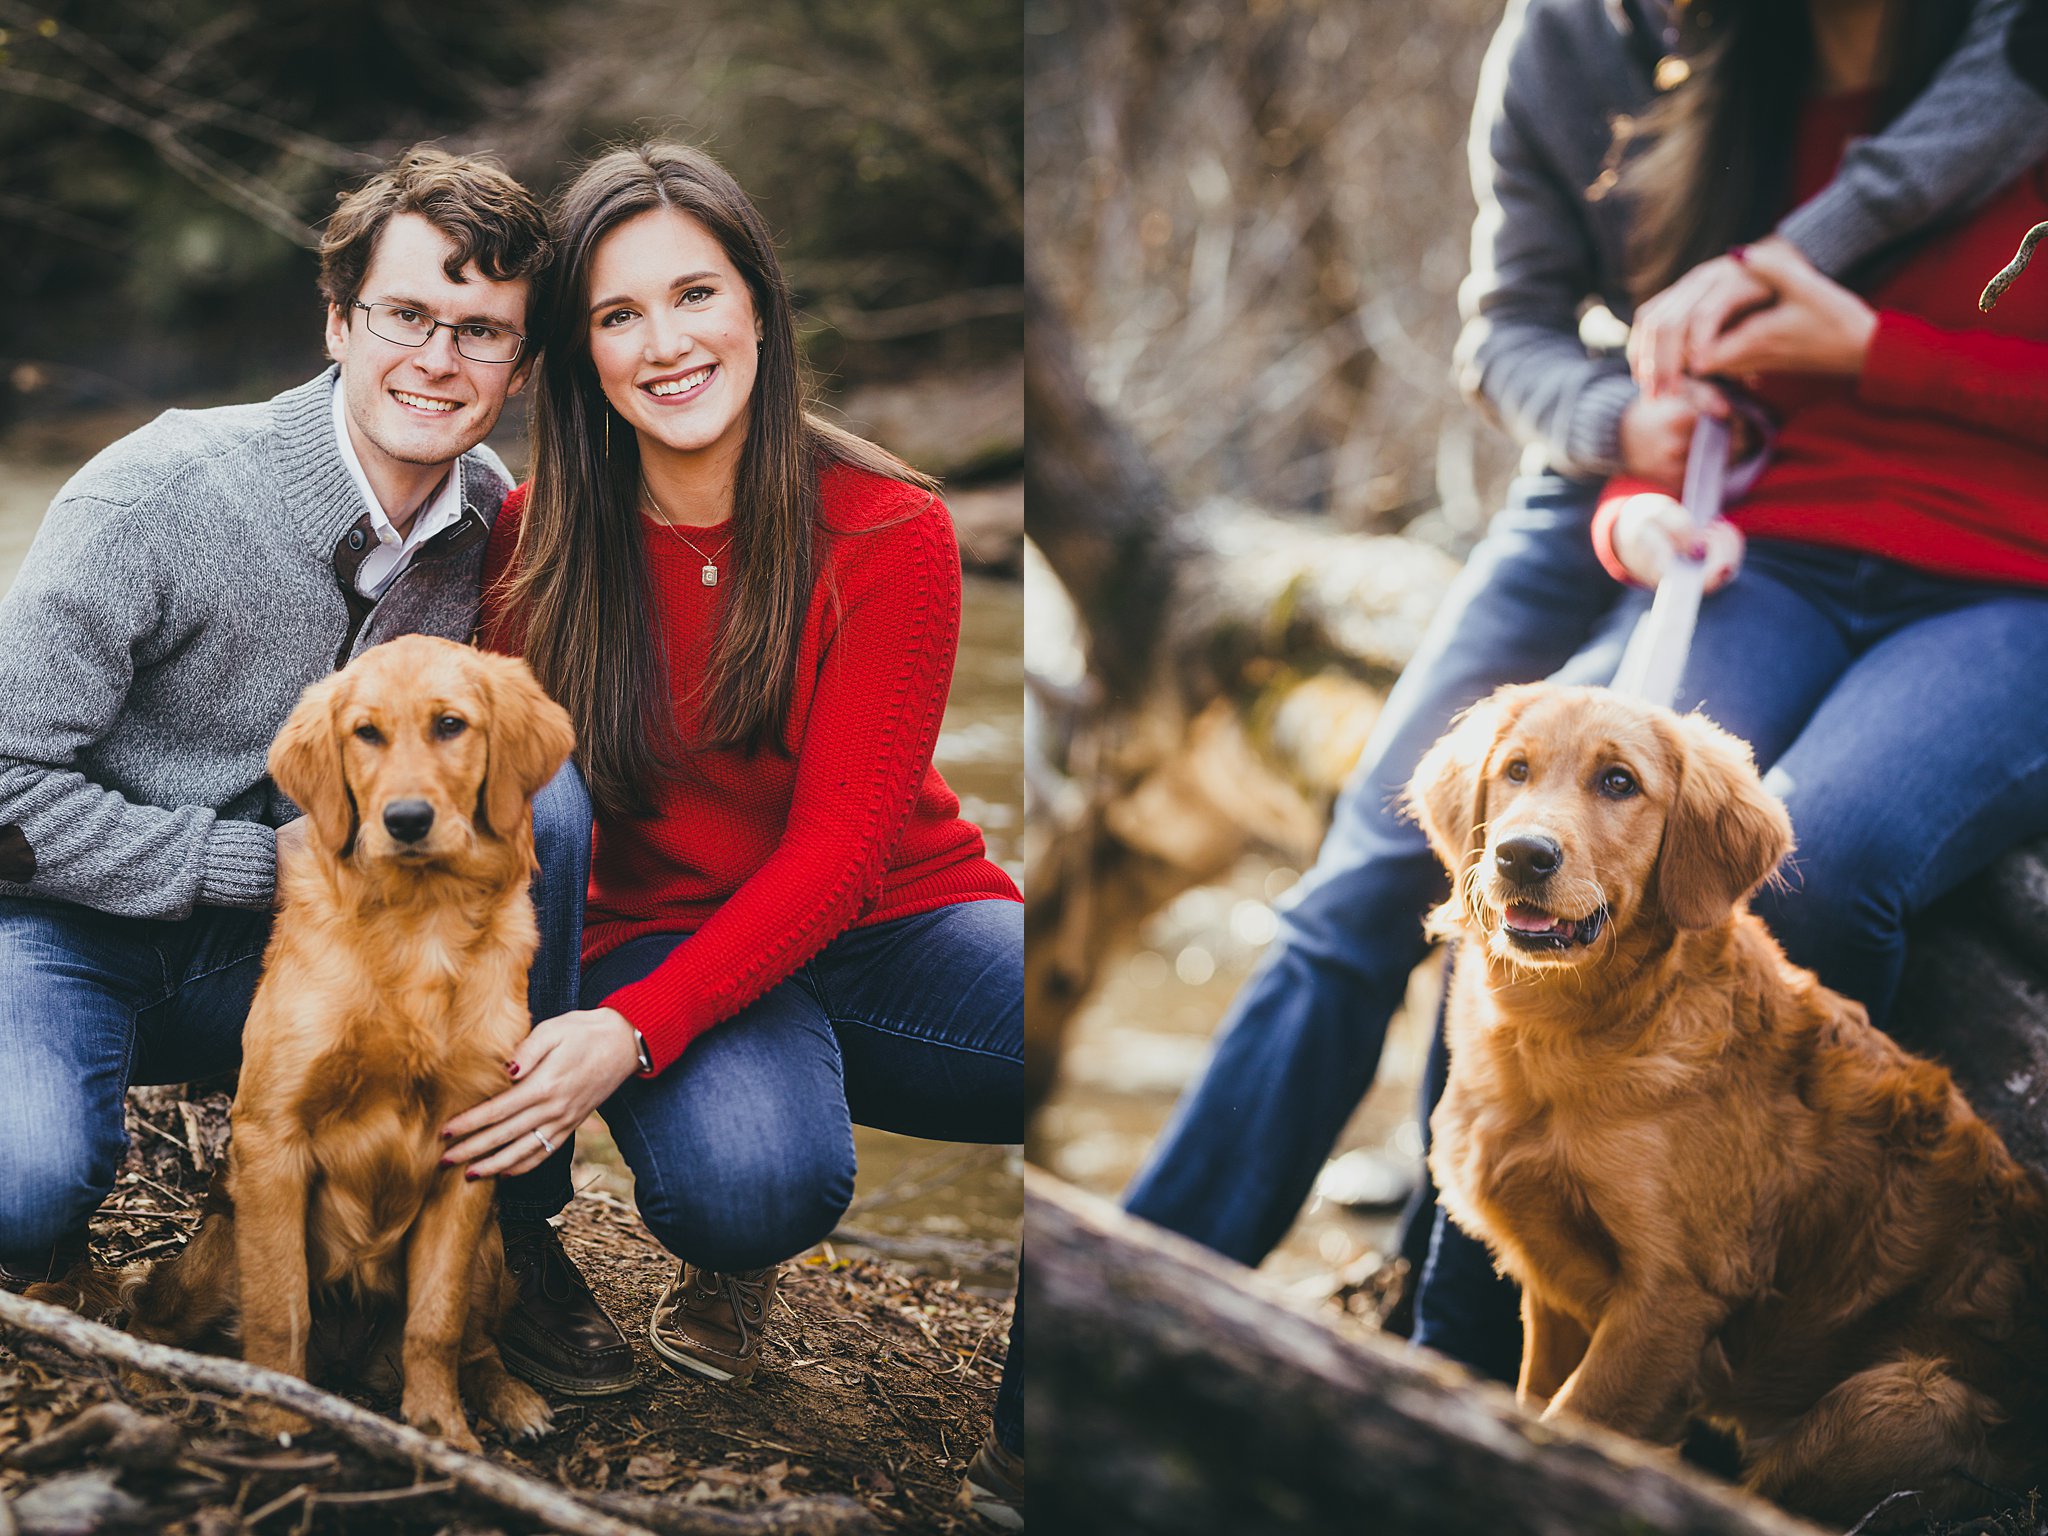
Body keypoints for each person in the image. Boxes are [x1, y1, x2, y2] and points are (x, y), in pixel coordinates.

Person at [1121, 0, 2048, 1307]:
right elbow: (1505, 328)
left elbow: (1952, 152)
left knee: (1660, 865)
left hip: (1768, 489)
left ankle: (1486, 1294)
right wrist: (1627, 437)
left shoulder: (1920, 58)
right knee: (1382, 871)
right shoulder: (1581, 42)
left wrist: (1803, 307)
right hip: (1636, 467)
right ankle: (1159, 1286)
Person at [1412, 0, 2048, 1380]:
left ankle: (1728, 1273)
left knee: (1822, 859)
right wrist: (1635, 506)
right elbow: (1681, 376)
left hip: (2016, 575)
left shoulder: (2009, 87)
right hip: (1778, 549)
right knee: (1509, 866)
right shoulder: (1758, 93)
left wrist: (1874, 351)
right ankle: (1438, 1365)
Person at [445, 143, 1025, 1520]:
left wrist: (633, 1035)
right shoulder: (536, 544)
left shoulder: (891, 529)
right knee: (754, 1188)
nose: (668, 342)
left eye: (695, 293)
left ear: (758, 304)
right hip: (658, 934)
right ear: (582, 356)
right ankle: (564, 1255)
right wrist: (631, 1009)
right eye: (618, 314)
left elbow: (841, 855)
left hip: (886, 916)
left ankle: (1039, 1432)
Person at [0, 146, 638, 1398]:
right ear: (340, 320)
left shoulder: (491, 517)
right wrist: (255, 859)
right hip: (71, 926)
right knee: (22, 1187)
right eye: (406, 315)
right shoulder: (157, 494)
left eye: (482, 333)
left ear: (518, 368)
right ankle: (65, 1203)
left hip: (300, 950)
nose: (438, 359)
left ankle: (512, 1210)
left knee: (543, 803)